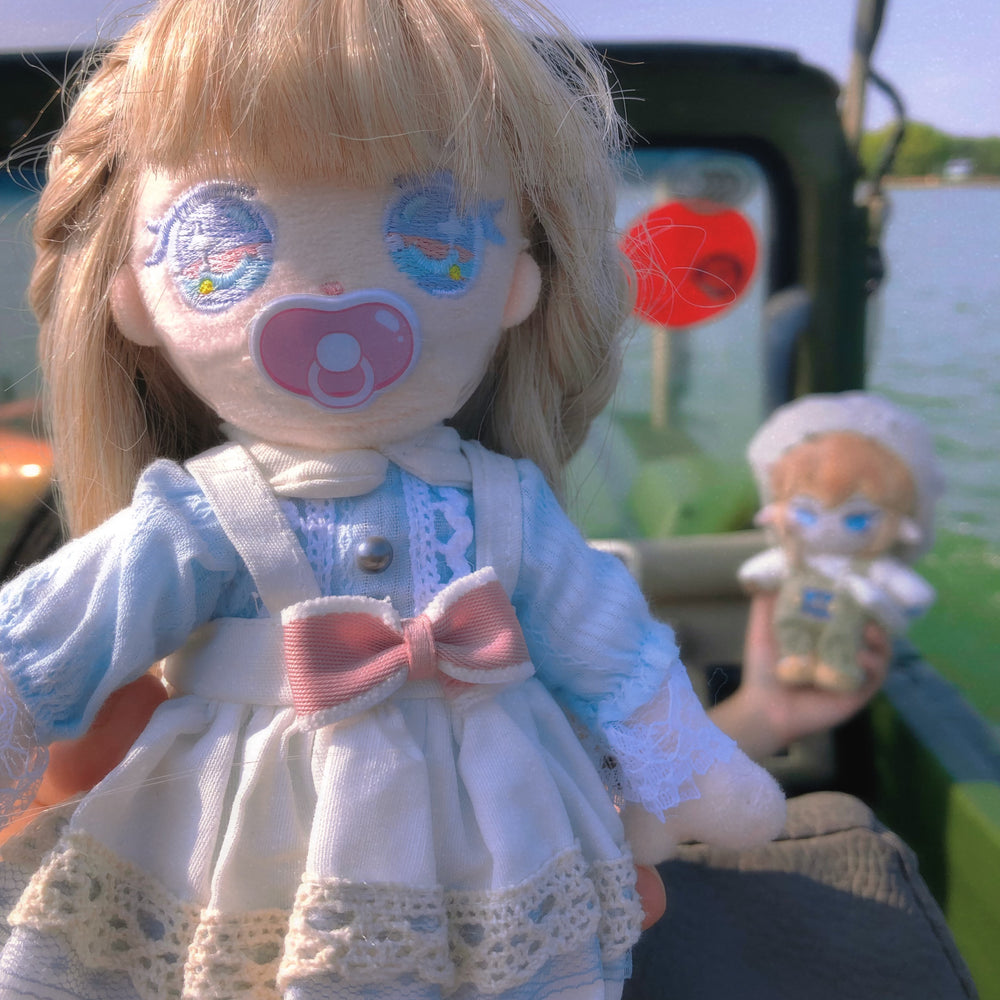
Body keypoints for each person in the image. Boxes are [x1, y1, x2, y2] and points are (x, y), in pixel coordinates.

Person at [0, 1, 786, 997]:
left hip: (494, 827)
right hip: (241, 842)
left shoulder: (503, 506)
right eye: (225, 245)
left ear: (518, 284)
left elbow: (607, 641)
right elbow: (44, 643)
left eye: (433, 234)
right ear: (134, 297)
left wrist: (691, 767)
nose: (334, 295)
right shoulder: (201, 516)